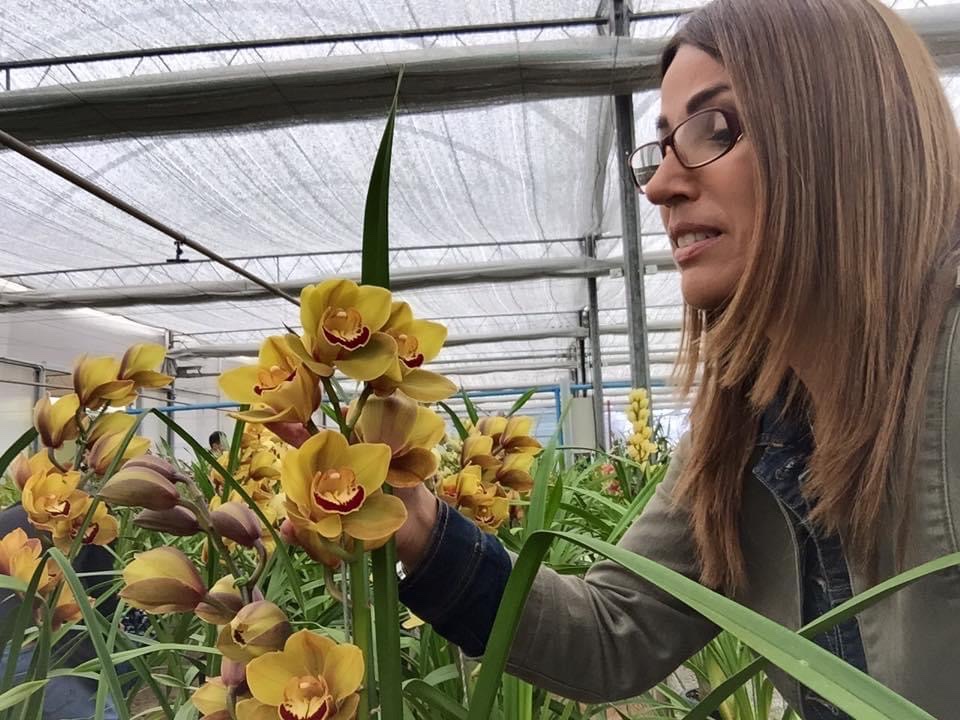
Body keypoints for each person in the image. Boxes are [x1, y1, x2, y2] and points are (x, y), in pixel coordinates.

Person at [387, 2, 960, 719]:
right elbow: (612, 631)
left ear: (840, 132)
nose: (660, 187)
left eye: (713, 129)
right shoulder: (745, 428)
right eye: (659, 150)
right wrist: (419, 527)